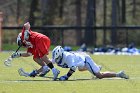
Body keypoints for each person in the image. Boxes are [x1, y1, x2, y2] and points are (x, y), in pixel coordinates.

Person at [52, 46, 129, 81]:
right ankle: (97, 67)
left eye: (58, 58)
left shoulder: (68, 57)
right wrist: (40, 71)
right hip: (80, 62)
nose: (57, 60)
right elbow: (49, 62)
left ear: (61, 55)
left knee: (99, 76)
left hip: (85, 60)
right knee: (80, 69)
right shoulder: (58, 56)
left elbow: (73, 68)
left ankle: (119, 74)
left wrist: (66, 76)